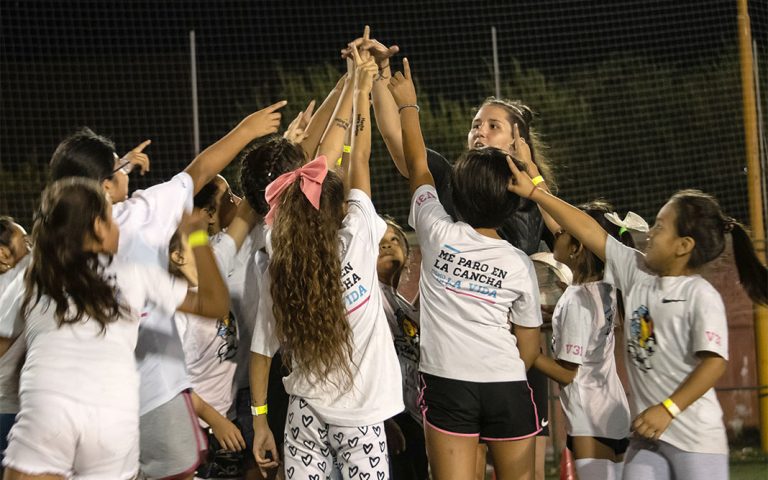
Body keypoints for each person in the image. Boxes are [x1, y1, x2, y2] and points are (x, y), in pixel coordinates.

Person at [345, 29, 556, 476]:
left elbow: (570, 253)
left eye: (492, 125)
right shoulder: (450, 179)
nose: (479, 131)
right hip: (465, 367)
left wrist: (538, 189)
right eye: (475, 124)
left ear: (519, 141)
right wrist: (382, 77)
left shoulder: (536, 201)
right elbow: (400, 144)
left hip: (510, 365)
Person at [506, 161, 768, 480]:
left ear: (683, 247)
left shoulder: (700, 294)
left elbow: (714, 363)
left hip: (696, 440)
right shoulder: (636, 273)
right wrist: (536, 192)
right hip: (649, 439)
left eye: (660, 227)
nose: (650, 233)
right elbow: (586, 229)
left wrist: (667, 409)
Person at [1, 178, 229, 479]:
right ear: (97, 227)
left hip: (48, 411)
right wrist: (198, 239)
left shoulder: (33, 275)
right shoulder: (132, 273)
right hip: (110, 422)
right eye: (111, 215)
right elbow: (215, 304)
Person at [250, 50, 403, 479]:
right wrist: (362, 86)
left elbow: (262, 351)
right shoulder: (357, 238)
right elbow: (358, 158)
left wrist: (261, 418)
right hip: (360, 417)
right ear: (338, 210)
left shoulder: (279, 262)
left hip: (303, 416)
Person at [389, 58, 542, 480]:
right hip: (507, 383)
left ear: (454, 188)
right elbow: (528, 347)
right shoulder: (517, 262)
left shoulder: (436, 231)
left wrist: (408, 104)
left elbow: (418, 165)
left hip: (448, 383)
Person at [533, 201, 635, 480]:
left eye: (563, 232)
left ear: (577, 248)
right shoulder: (605, 288)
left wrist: (528, 352)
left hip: (589, 417)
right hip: (613, 413)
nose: (556, 234)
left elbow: (567, 372)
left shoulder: (577, 299)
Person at [170, 194, 260, 478]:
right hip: (196, 427)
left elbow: (244, 218)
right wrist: (215, 420)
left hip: (228, 415)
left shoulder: (212, 270)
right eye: (194, 243)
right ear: (178, 256)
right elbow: (172, 382)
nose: (207, 247)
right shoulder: (176, 310)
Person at [377, 216, 428, 480]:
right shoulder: (367, 298)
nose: (387, 245)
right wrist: (384, 421)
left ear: (407, 253)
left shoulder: (404, 307)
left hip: (413, 416)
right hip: (389, 416)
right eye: (379, 242)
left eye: (394, 239)